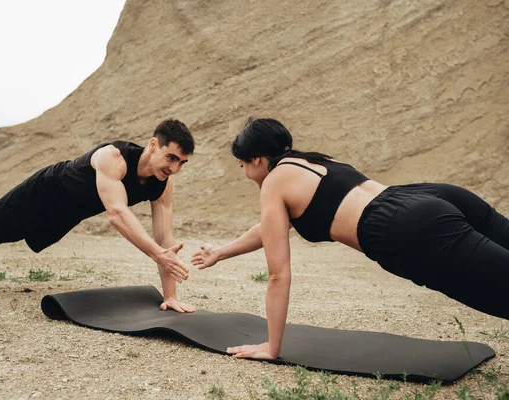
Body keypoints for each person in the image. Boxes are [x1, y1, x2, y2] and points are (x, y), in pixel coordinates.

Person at [191, 117, 509, 360]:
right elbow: (271, 228)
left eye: (243, 165)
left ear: (257, 160)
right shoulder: (312, 160)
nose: (246, 173)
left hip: (407, 226)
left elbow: (278, 274)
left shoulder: (274, 182)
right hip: (429, 196)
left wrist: (272, 347)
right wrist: (220, 252)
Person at [0, 119, 195, 313]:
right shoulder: (114, 158)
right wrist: (158, 255)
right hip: (45, 190)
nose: (175, 168)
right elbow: (117, 213)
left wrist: (170, 296)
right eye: (171, 158)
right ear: (154, 144)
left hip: (68, 213)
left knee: (9, 234)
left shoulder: (162, 186)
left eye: (182, 163)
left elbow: (165, 241)